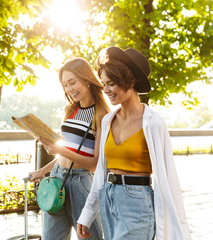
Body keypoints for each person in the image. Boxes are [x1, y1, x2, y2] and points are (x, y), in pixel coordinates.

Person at [77, 46, 191, 240]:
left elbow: (168, 177)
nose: (106, 90)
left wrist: (178, 229)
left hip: (138, 202)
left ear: (128, 82)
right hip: (109, 199)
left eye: (111, 84)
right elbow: (100, 174)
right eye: (104, 84)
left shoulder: (153, 123)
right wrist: (87, 214)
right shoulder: (107, 121)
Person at [29, 57, 110, 240]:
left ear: (87, 80)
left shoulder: (102, 115)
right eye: (65, 85)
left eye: (72, 83)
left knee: (90, 237)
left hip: (81, 183)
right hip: (57, 178)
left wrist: (60, 150)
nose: (69, 89)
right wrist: (42, 171)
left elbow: (95, 164)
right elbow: (67, 154)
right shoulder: (70, 111)